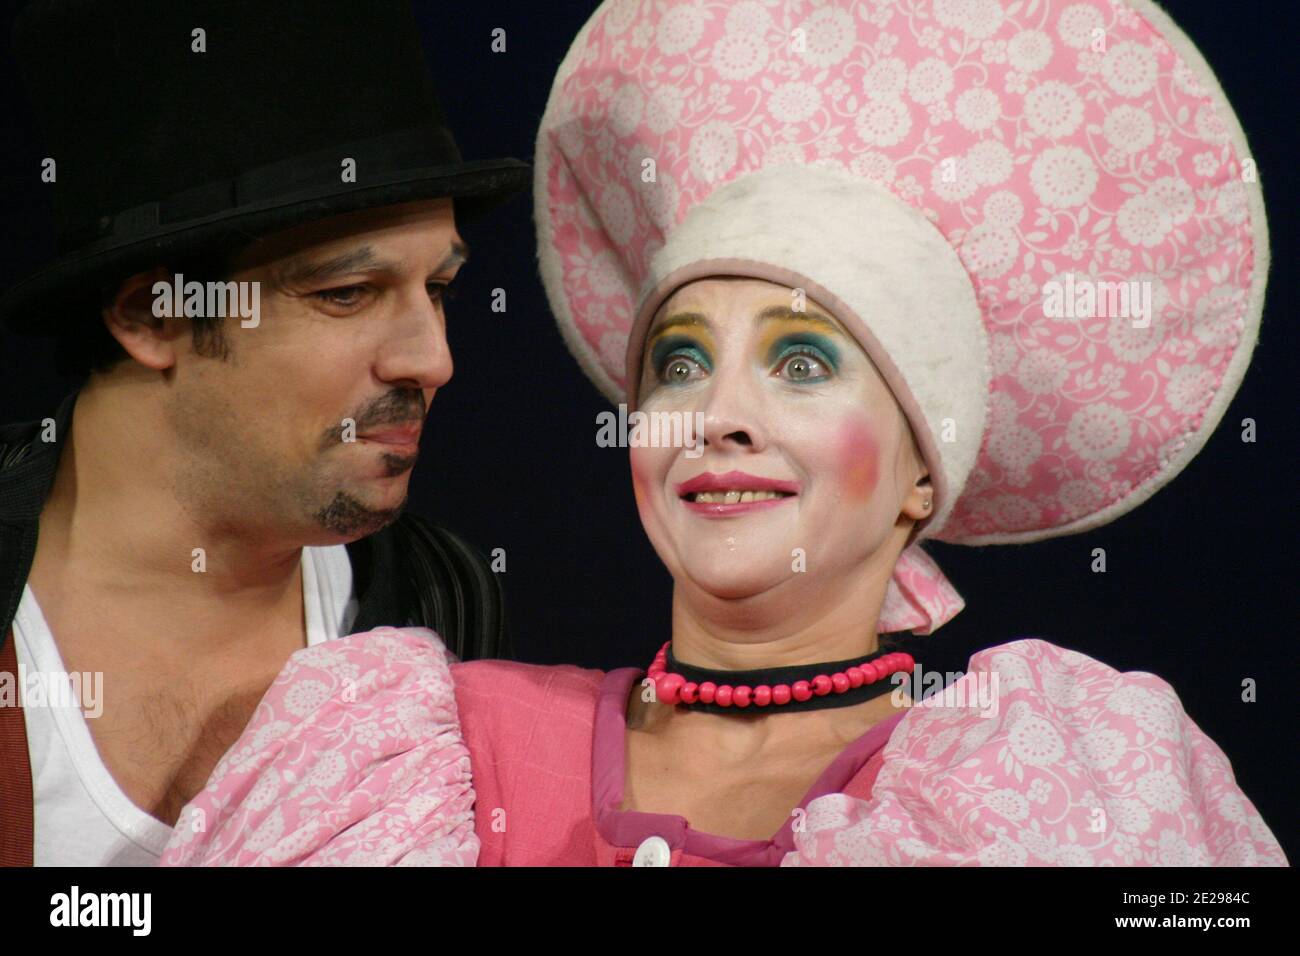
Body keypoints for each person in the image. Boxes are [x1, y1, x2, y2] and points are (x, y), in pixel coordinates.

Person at [159, 0, 1287, 867]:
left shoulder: (1048, 792)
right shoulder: (407, 746)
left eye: (803, 362)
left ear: (917, 475)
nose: (719, 414)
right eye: (681, 362)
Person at [0, 0, 525, 866]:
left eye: (440, 288)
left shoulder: (438, 596)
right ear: (153, 315)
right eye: (347, 294)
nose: (432, 361)